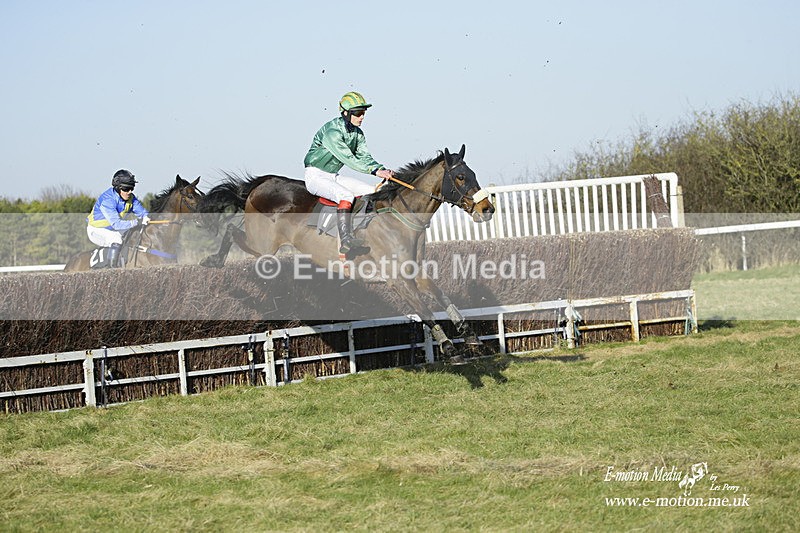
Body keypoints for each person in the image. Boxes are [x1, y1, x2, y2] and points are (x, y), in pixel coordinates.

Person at [303, 91, 395, 257]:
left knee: (372, 192)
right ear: (346, 113)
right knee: (345, 195)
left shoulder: (357, 133)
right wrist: (375, 171)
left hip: (333, 175)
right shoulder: (332, 132)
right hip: (315, 176)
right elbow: (350, 159)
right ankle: (346, 239)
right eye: (358, 113)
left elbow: (365, 157)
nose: (362, 117)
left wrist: (382, 169)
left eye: (363, 113)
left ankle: (363, 232)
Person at [86, 169, 150, 267]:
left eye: (132, 188)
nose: (129, 192)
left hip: (114, 229)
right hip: (96, 230)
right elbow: (117, 224)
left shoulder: (131, 198)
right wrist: (138, 221)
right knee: (116, 239)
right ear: (117, 188)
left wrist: (147, 218)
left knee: (134, 234)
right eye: (126, 189)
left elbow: (143, 213)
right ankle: (113, 271)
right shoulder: (108, 200)